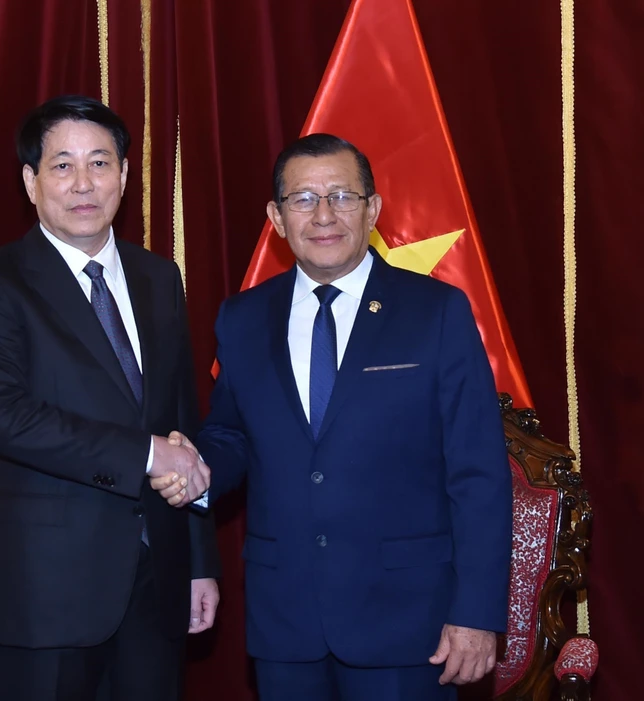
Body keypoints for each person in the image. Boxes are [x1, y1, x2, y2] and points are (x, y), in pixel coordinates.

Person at [155, 133, 511, 701]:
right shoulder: (243, 317)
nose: (323, 215)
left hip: (408, 620)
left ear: (372, 210)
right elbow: (231, 434)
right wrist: (195, 468)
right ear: (276, 217)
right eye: (302, 200)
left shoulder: (435, 312)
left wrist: (476, 612)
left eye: (343, 196)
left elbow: (479, 473)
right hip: (286, 618)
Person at [0, 94, 220, 701]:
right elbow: (5, 418)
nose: (83, 183)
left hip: (158, 583)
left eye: (100, 163)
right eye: (61, 165)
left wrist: (200, 559)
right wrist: (147, 456)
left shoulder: (159, 278)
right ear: (30, 180)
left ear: (124, 176)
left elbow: (183, 423)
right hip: (47, 590)